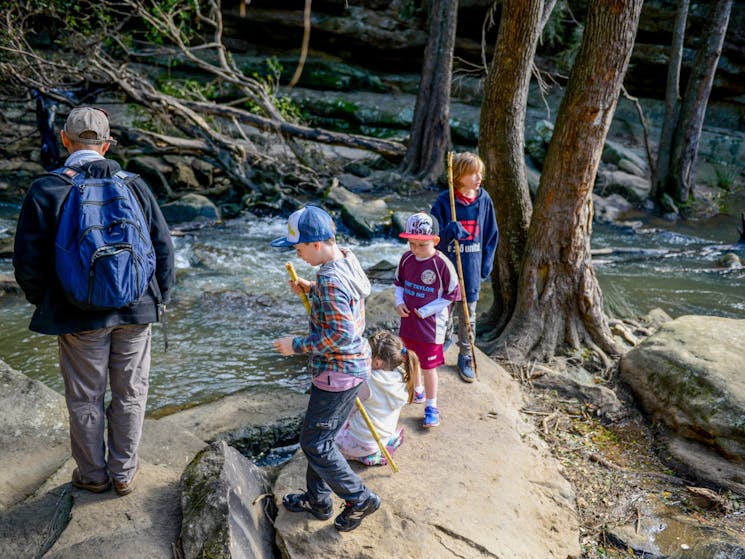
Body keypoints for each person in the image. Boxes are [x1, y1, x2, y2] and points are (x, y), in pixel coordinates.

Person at [13, 106, 175, 496]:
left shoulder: (47, 188)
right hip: (136, 308)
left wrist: (53, 301)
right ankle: (124, 472)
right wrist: (160, 298)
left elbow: (27, 262)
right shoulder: (135, 184)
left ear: (65, 140)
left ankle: (93, 475)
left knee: (85, 396)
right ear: (106, 144)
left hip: (76, 313)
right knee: (131, 392)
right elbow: (162, 246)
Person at [271, 205, 381, 533]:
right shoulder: (346, 256)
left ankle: (360, 498)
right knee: (322, 437)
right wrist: (312, 288)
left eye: (300, 248)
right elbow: (344, 299)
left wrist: (297, 346)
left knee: (315, 443)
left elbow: (338, 334)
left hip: (338, 373)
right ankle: (318, 500)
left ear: (317, 244)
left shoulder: (331, 279)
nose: (298, 253)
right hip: (353, 367)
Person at [431, 152, 498, 382]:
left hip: (471, 267)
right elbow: (432, 237)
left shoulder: (484, 200)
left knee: (468, 314)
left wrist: (486, 265)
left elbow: (491, 234)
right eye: (473, 173)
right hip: (447, 270)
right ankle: (440, 343)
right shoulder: (444, 200)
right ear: (459, 175)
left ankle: (466, 354)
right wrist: (448, 231)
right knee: (444, 310)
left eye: (480, 172)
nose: (479, 177)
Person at [395, 212, 460, 428]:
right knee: (409, 357)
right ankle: (417, 389)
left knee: (429, 366)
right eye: (411, 243)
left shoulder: (442, 264)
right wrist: (398, 302)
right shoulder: (406, 258)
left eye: (421, 245)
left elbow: (452, 294)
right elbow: (399, 283)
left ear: (435, 241)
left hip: (431, 326)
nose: (415, 249)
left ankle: (432, 406)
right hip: (408, 321)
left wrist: (427, 310)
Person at [335, 330, 419, 466]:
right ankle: (385, 444)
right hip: (384, 435)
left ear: (377, 363)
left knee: (330, 441)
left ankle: (367, 456)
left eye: (366, 355)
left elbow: (349, 410)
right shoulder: (402, 375)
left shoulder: (369, 381)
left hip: (363, 442)